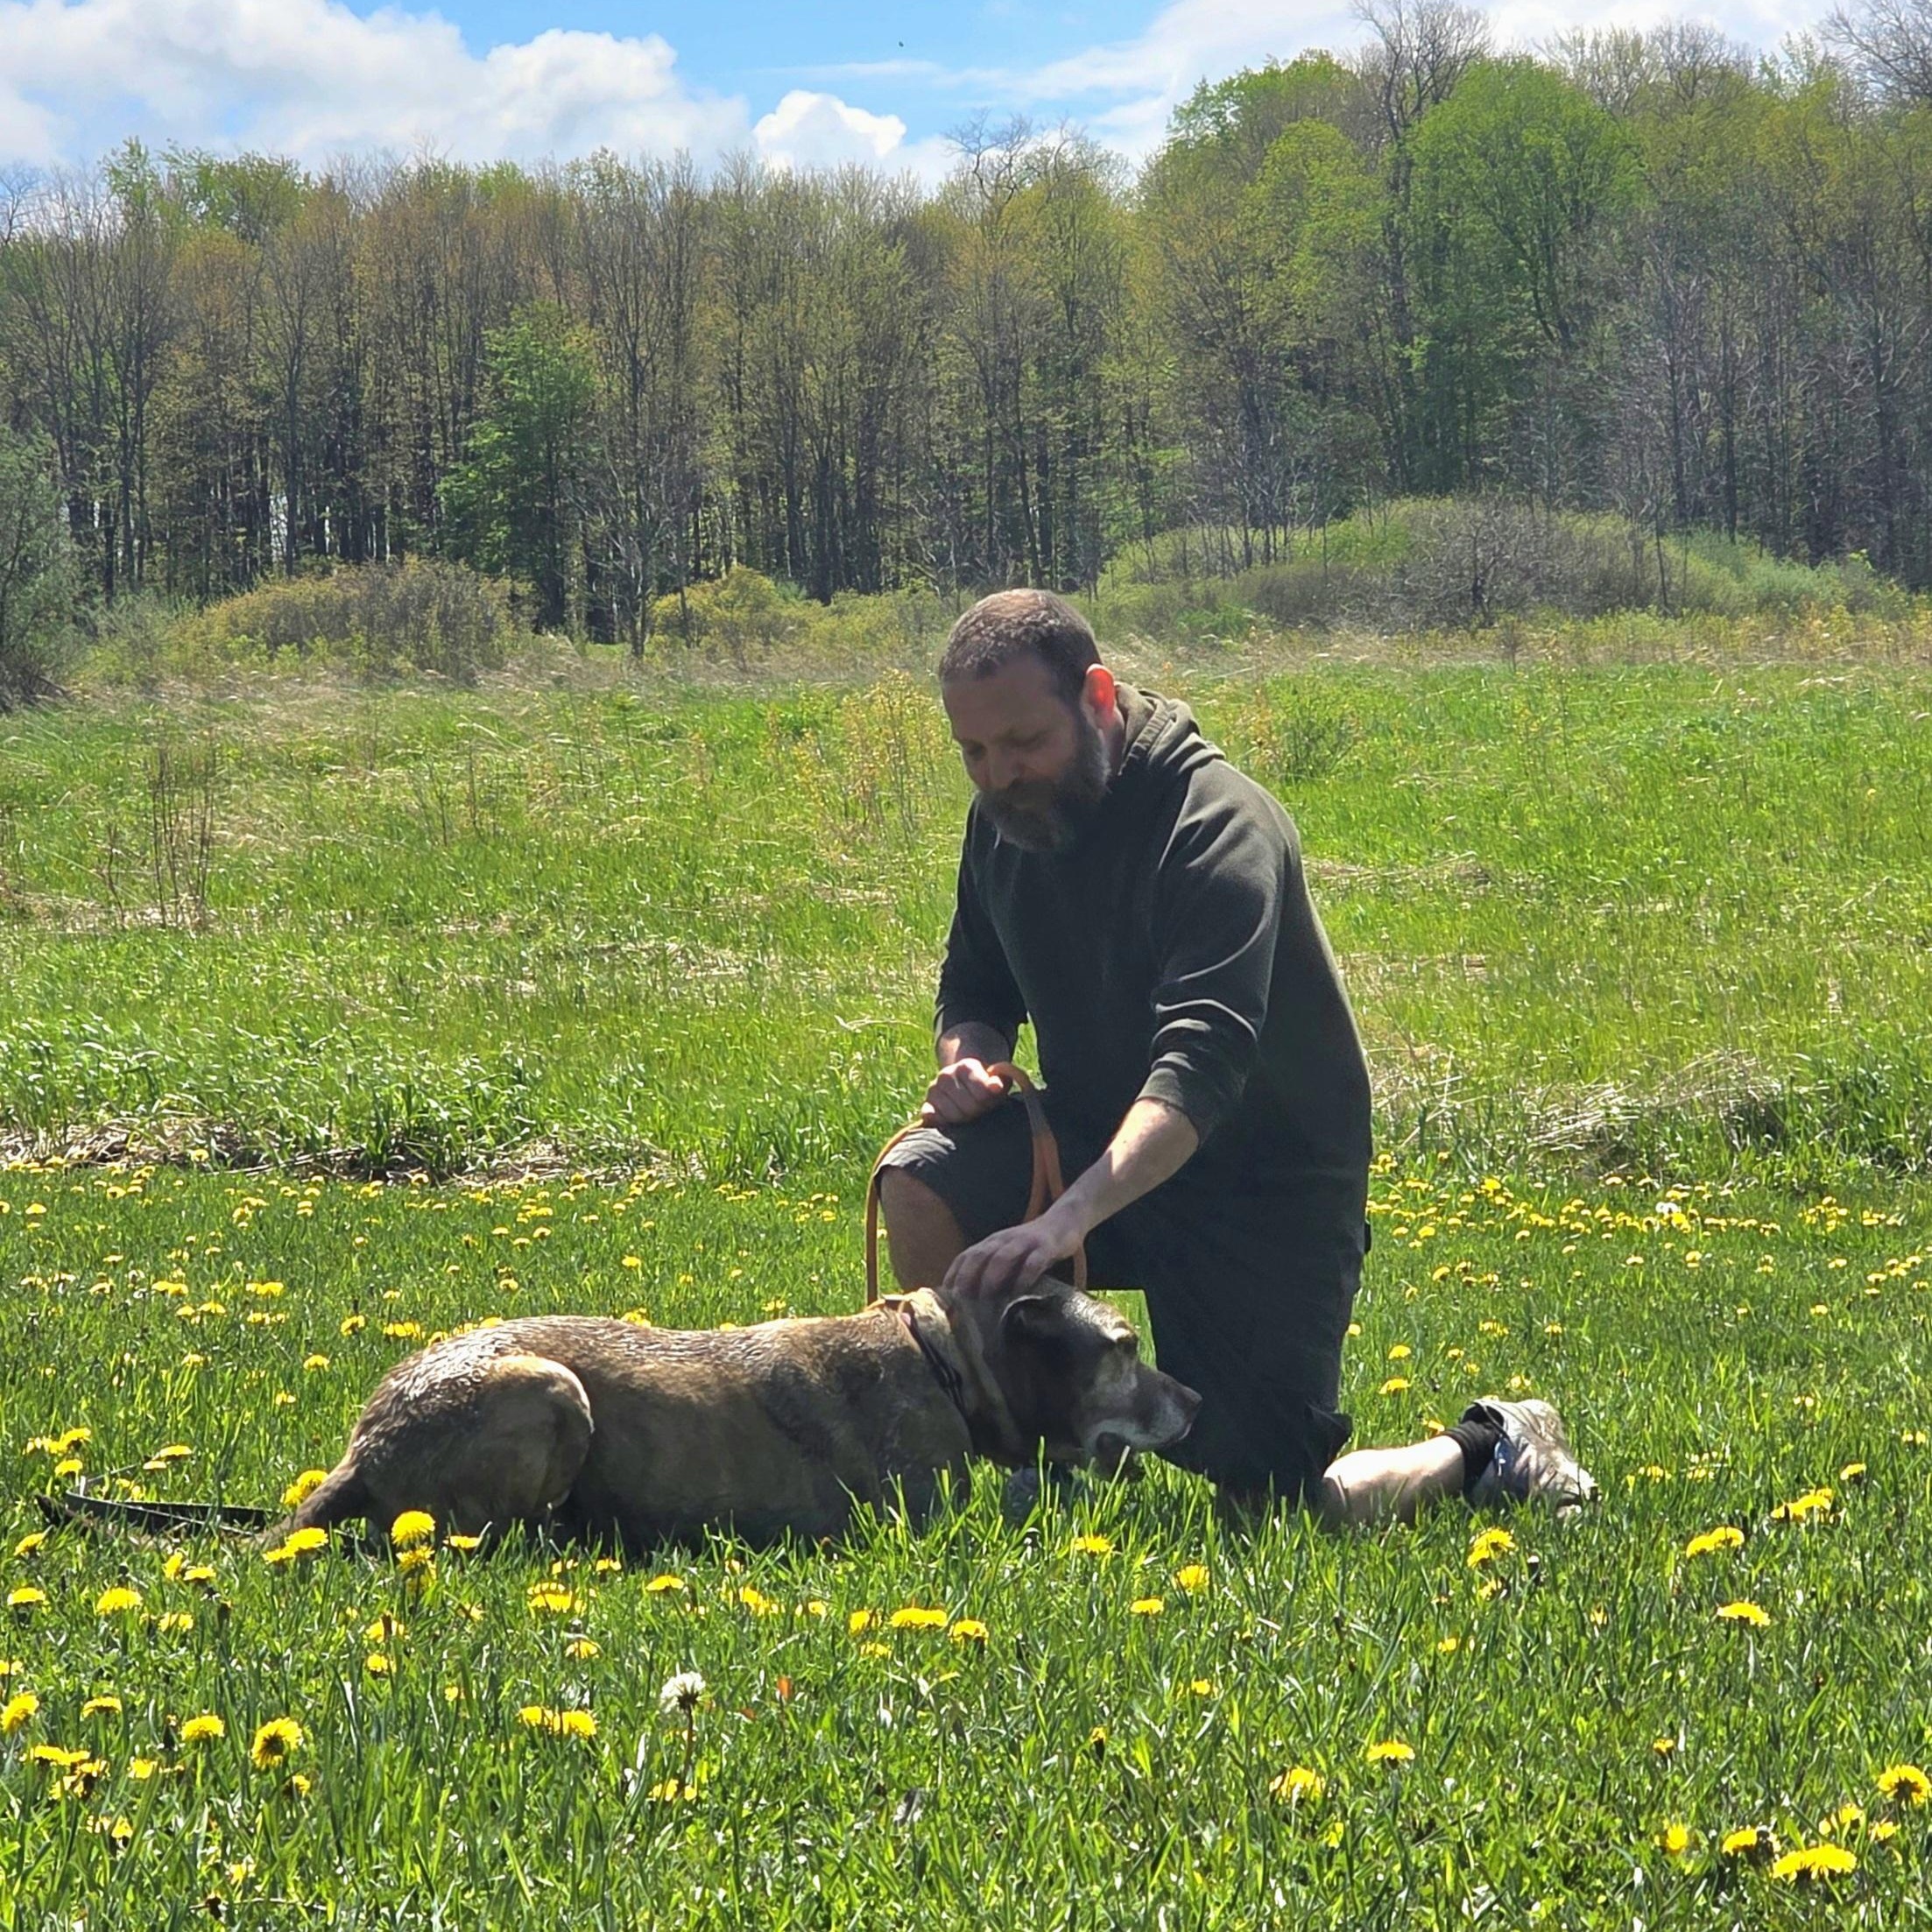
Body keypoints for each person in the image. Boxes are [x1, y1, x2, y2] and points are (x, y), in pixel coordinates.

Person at [876, 589, 1597, 1526]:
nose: (999, 774)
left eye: (1021, 743)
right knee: (922, 1173)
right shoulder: (1007, 818)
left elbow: (1199, 1063)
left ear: (1096, 696)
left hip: (1262, 1187)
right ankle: (1029, 1459)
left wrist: (1063, 1223)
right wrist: (968, 1060)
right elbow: (974, 983)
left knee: (1272, 1507)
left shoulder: (1217, 826)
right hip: (1106, 1143)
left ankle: (1490, 1444)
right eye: (973, 752)